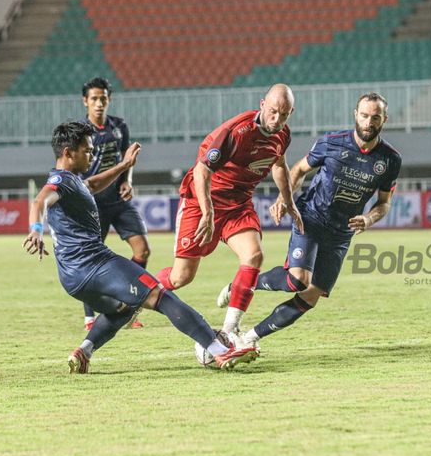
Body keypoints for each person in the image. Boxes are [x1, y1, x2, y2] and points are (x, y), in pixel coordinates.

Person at [22, 121, 259, 373]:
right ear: (68, 152)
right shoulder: (61, 180)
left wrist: (124, 166)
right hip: (95, 264)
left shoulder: (74, 182)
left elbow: (90, 186)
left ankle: (84, 352)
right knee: (160, 295)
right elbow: (40, 201)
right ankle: (220, 351)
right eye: (88, 150)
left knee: (124, 308)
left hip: (72, 277)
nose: (92, 155)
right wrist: (36, 230)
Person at [221, 93, 402, 350]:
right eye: (364, 115)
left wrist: (369, 218)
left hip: (341, 234)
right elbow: (298, 170)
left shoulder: (390, 160)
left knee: (310, 296)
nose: (368, 122)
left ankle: (250, 337)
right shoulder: (332, 142)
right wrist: (286, 199)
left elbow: (384, 203)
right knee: (297, 279)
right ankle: (240, 284)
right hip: (311, 218)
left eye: (375, 117)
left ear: (384, 119)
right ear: (355, 115)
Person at [154, 84, 304, 334]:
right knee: (181, 277)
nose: (277, 120)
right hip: (203, 202)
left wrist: (289, 202)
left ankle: (229, 330)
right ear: (262, 104)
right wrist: (208, 212)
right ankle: (135, 294)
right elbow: (202, 171)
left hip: (239, 205)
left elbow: (279, 165)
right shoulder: (237, 132)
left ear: (292, 112)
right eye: (273, 112)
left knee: (254, 256)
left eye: (284, 114)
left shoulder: (282, 134)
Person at [79, 77, 149, 330]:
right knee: (90, 259)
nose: (99, 104)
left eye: (103, 99)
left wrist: (127, 181)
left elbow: (127, 159)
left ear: (109, 100)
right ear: (85, 101)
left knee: (142, 251)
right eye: (94, 99)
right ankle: (90, 318)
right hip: (92, 203)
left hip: (118, 200)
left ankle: (128, 306)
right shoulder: (80, 131)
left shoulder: (119, 126)